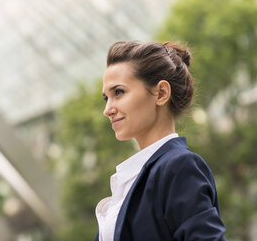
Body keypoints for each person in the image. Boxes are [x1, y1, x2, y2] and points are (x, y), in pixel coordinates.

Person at [95, 41, 226, 241]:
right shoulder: (132, 179)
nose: (108, 109)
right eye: (107, 98)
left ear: (161, 93)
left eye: (119, 92)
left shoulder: (178, 167)